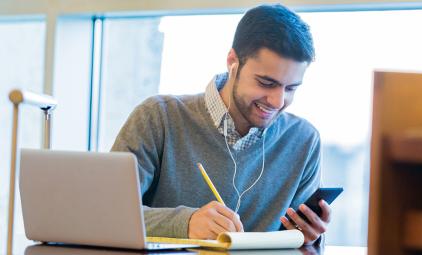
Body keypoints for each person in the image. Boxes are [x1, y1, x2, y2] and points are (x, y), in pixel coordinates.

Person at [111, 4, 331, 245]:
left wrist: (309, 238)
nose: (278, 101)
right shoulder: (158, 118)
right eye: (266, 83)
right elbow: (106, 213)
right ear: (232, 62)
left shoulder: (304, 141)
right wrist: (186, 223)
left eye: (290, 88)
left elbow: (298, 241)